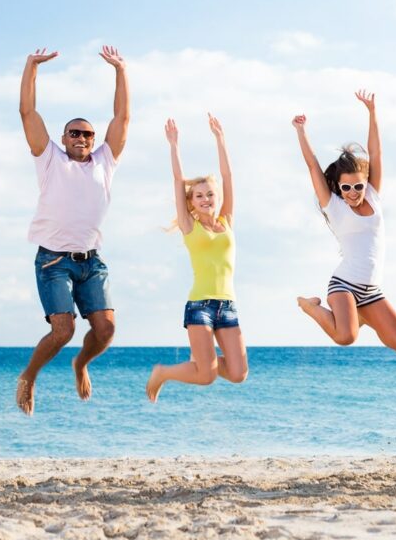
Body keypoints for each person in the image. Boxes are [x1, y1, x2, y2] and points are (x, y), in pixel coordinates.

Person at [16, 46, 130, 415]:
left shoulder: (105, 161)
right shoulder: (49, 159)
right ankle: (29, 377)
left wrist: (120, 70)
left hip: (91, 262)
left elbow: (123, 117)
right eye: (73, 133)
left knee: (107, 331)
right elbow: (28, 112)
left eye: (87, 134)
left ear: (93, 140)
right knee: (62, 330)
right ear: (63, 138)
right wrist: (31, 67)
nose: (81, 138)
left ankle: (80, 364)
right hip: (54, 262)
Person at [292, 91, 396, 354]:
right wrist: (301, 131)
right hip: (344, 285)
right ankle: (310, 306)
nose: (354, 192)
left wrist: (372, 112)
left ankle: (363, 315)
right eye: (347, 188)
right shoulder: (334, 206)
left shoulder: (373, 195)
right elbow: (313, 166)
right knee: (346, 336)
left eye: (358, 185)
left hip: (372, 291)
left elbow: (376, 153)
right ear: (339, 187)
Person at [146, 114, 248, 401]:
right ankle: (163, 373)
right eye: (199, 196)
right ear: (192, 202)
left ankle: (203, 360)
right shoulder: (190, 226)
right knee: (206, 376)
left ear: (217, 198)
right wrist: (174, 146)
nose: (206, 199)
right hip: (199, 306)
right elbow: (179, 181)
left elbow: (228, 177)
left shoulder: (226, 220)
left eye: (210, 195)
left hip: (228, 306)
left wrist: (220, 139)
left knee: (239, 374)